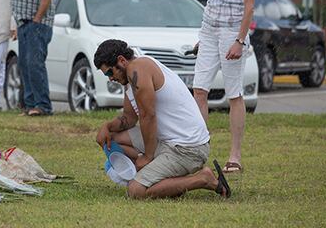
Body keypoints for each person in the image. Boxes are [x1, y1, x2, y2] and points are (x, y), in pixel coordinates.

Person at [94, 39, 231, 199]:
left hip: (188, 149)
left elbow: (148, 116)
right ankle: (159, 179)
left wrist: (147, 157)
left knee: (136, 191)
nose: (110, 78)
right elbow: (129, 118)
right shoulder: (130, 75)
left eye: (110, 72)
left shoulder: (137, 69)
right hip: (169, 142)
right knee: (111, 138)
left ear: (122, 61)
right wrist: (107, 127)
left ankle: (203, 179)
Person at [192, 0, 257, 173]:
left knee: (234, 93)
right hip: (209, 30)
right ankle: (197, 150)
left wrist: (239, 40)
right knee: (199, 90)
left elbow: (249, 6)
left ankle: (235, 156)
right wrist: (201, 37)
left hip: (232, 32)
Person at [10, 0, 56, 116]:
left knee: (35, 64)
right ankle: (30, 105)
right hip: (23, 24)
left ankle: (43, 105)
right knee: (25, 65)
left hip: (37, 24)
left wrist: (37, 18)